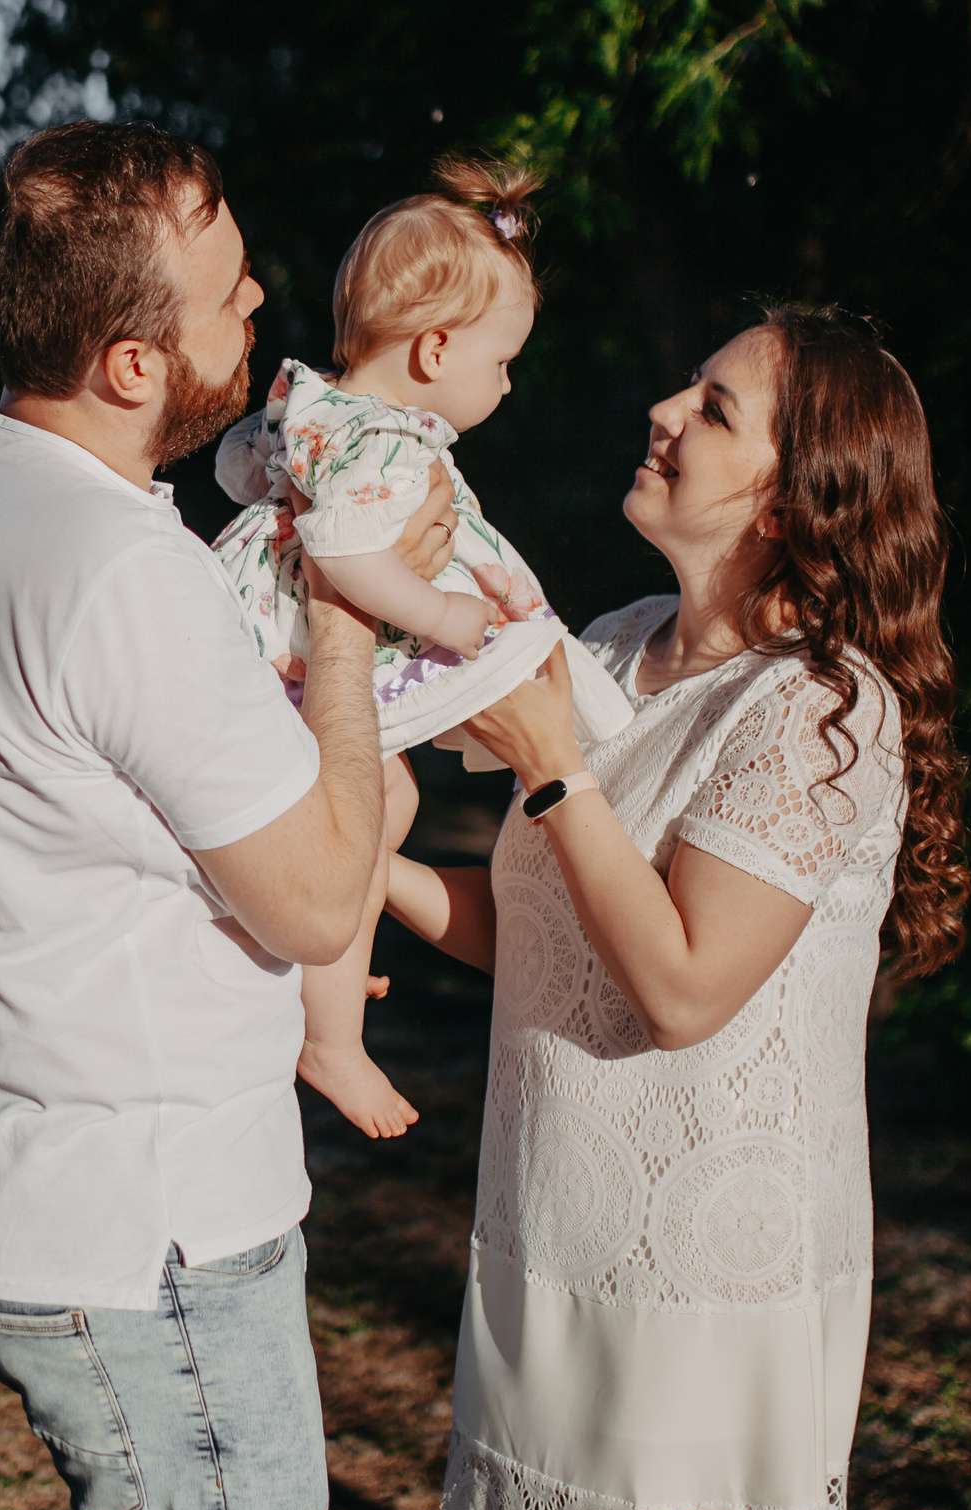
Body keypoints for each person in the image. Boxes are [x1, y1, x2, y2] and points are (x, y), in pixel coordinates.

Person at [0, 120, 455, 1510]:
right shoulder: (114, 568)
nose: (263, 297)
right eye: (224, 292)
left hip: (45, 1175)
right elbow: (325, 891)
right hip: (152, 1222)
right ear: (134, 364)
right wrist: (344, 624)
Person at [381, 307, 971, 1510]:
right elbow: (551, 924)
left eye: (711, 406)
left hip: (708, 1269)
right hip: (564, 1228)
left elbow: (685, 978)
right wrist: (363, 885)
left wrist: (549, 765)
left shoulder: (824, 711)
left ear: (791, 495)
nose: (663, 407)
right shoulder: (623, 644)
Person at [208, 158, 631, 1140]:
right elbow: (346, 553)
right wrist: (440, 619)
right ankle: (332, 1036)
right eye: (502, 361)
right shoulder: (389, 442)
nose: (508, 381)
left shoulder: (314, 411)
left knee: (372, 807)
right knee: (378, 803)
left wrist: (274, 470)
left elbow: (238, 468)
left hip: (273, 646)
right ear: (436, 350)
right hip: (303, 654)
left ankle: (322, 987)